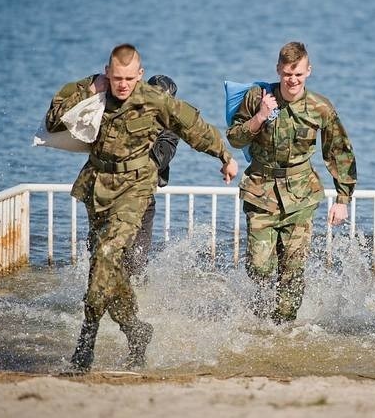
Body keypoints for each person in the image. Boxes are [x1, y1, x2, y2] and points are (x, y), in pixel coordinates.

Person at [44, 44, 238, 372]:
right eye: (117, 78)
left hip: (135, 190)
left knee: (106, 256)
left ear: (141, 75)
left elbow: (194, 127)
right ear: (107, 72)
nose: (123, 84)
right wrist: (92, 88)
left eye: (129, 78)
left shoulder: (153, 100)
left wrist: (225, 156)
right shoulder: (95, 93)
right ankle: (136, 330)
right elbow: (52, 122)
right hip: (98, 186)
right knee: (106, 272)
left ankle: (83, 349)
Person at [226, 41, 357, 324]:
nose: (292, 80)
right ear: (278, 70)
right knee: (260, 267)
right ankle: (261, 318)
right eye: (287, 74)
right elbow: (234, 138)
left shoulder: (320, 107)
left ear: (308, 71)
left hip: (301, 196)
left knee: (293, 271)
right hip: (261, 192)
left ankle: (283, 328)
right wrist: (260, 116)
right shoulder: (257, 97)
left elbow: (339, 152)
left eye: (298, 74)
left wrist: (343, 199)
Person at [123, 75, 180, 283]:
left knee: (136, 262)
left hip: (143, 199)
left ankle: (138, 298)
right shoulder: (125, 114)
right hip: (112, 196)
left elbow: (159, 159)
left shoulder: (170, 131)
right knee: (104, 257)